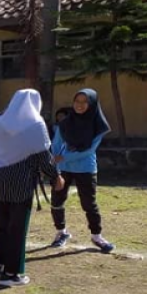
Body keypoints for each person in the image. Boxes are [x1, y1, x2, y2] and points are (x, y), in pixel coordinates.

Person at [0, 89, 64, 287]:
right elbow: (44, 157)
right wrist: (56, 176)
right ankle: (11, 273)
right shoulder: (35, 125)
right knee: (17, 229)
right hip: (20, 182)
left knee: (1, 226)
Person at [49, 88, 115, 253]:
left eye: (84, 102)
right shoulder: (65, 123)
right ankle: (61, 232)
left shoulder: (98, 125)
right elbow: (56, 144)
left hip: (86, 168)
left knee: (89, 204)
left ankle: (97, 236)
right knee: (57, 200)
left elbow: (89, 150)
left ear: (92, 104)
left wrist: (64, 158)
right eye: (77, 101)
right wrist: (55, 164)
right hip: (63, 168)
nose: (80, 105)